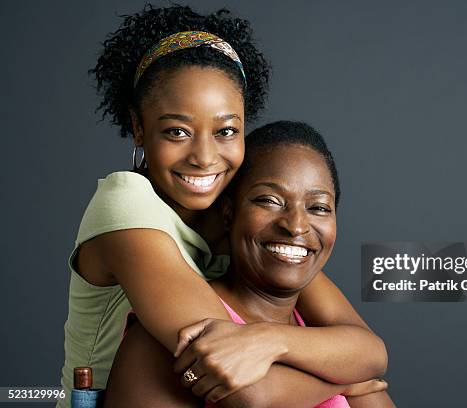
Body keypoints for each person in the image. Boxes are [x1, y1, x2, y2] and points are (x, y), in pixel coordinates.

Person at [59, 5, 387, 407]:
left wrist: (271, 340)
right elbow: (243, 386)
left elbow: (368, 351)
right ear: (140, 128)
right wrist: (344, 382)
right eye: (177, 131)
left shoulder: (242, 219)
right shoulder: (125, 208)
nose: (204, 156)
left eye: (226, 131)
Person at [104, 121, 395, 407]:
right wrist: (344, 381)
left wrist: (270, 340)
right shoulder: (171, 340)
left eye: (318, 208)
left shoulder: (333, 347)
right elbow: (253, 397)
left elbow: (374, 354)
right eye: (269, 200)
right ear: (229, 212)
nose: (296, 227)